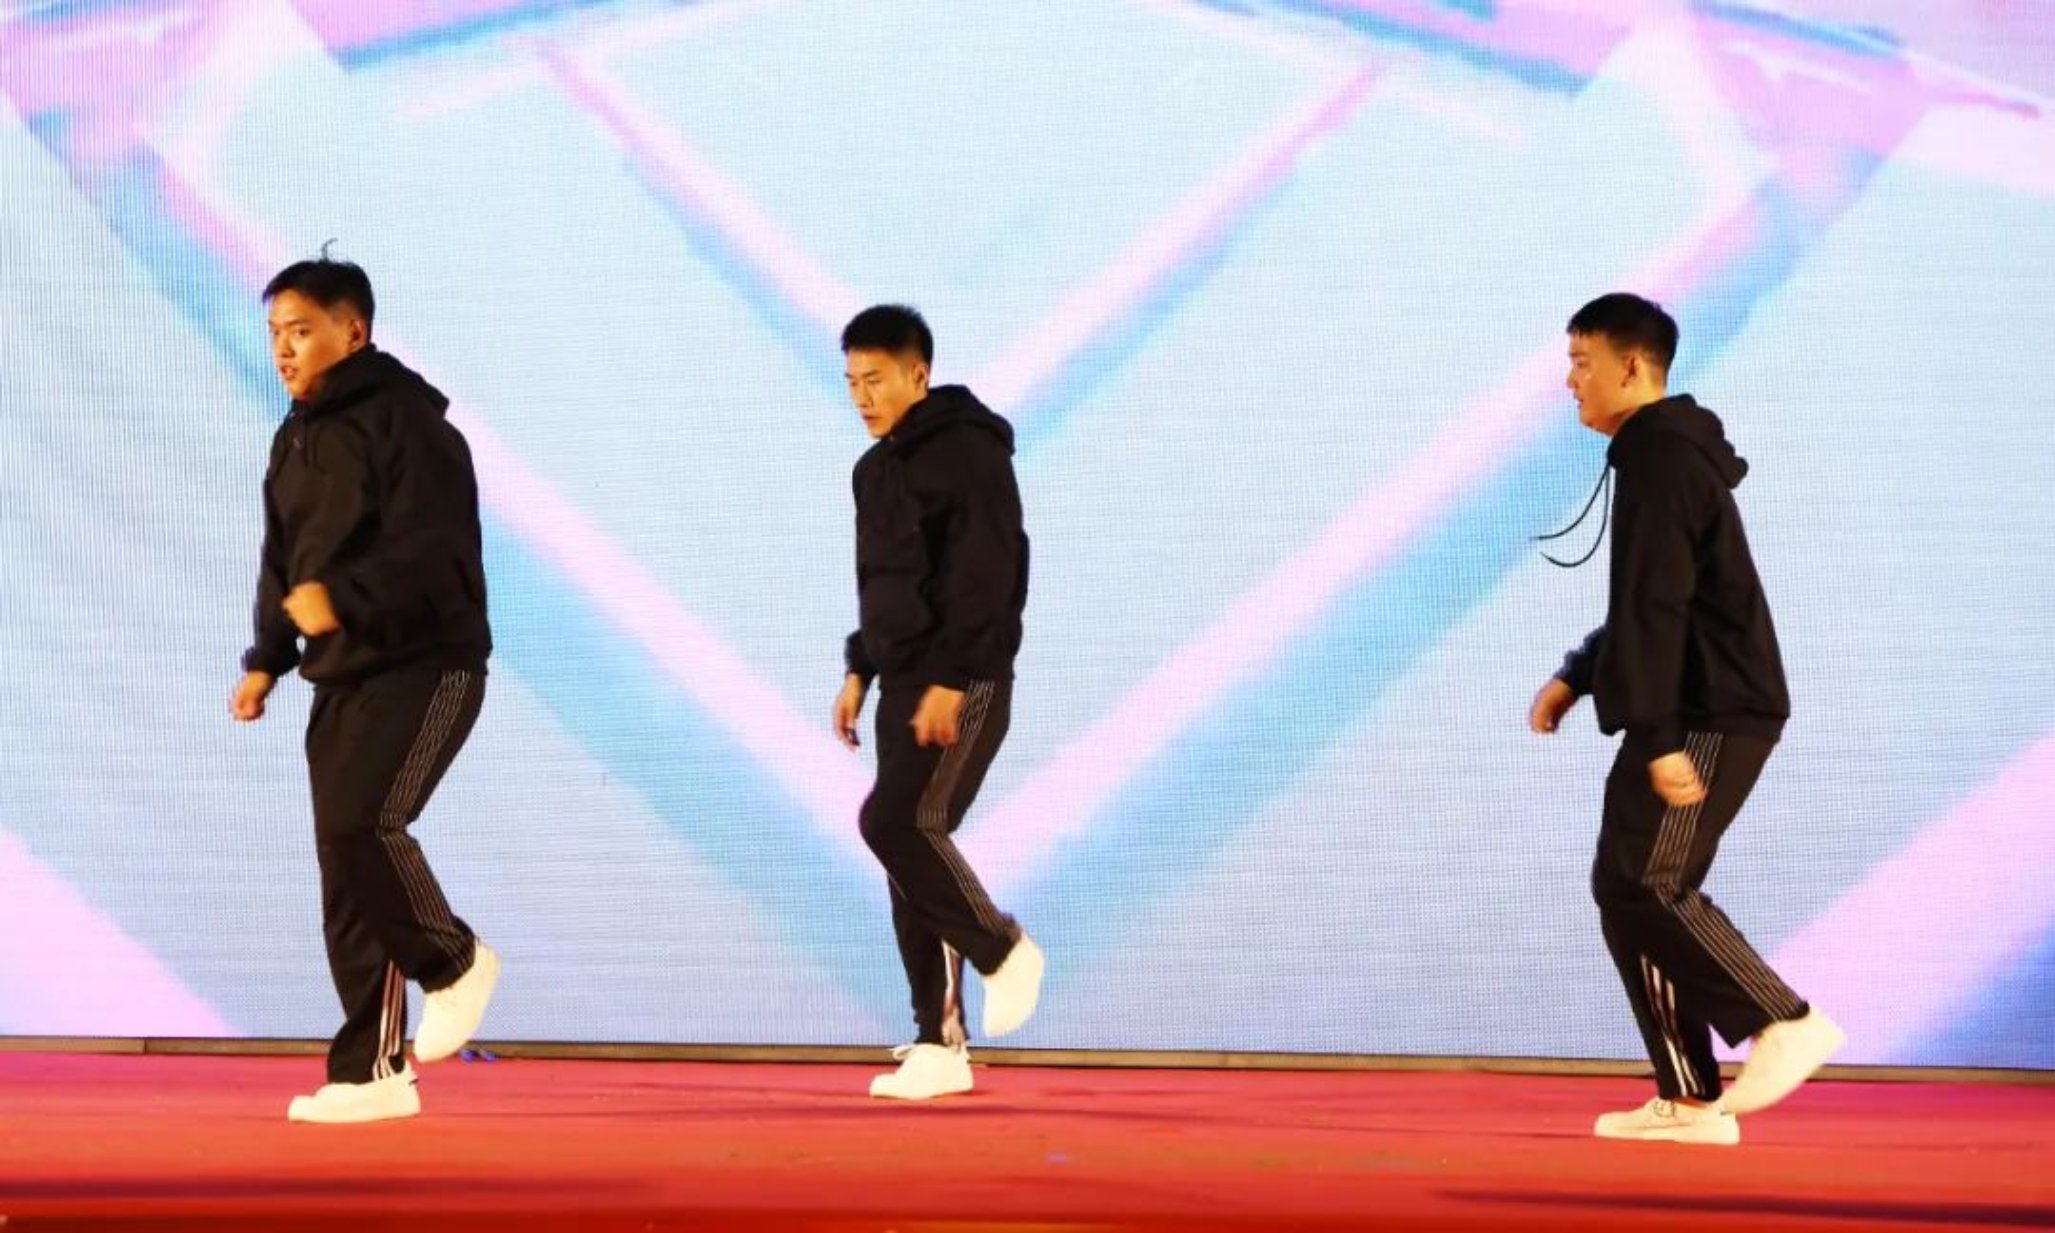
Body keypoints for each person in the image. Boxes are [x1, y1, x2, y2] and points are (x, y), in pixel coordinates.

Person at [1530, 292, 1843, 1145]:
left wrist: (1659, 737)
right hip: (1693, 701)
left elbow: (1659, 606)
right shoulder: (1654, 452)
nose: (1569, 380)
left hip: (1711, 707)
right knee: (1624, 887)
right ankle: (1689, 1098)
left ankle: (1781, 1019)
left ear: (1632, 366)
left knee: (1649, 883)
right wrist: (1577, 675)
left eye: (1581, 362)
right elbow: (1652, 596)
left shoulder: (1663, 456)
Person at [233, 250, 501, 1124]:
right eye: (275, 332)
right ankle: (371, 1070)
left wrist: (340, 599)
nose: (284, 348)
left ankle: (454, 961)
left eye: (301, 330)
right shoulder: (295, 435)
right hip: (340, 675)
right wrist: (266, 656)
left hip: (428, 663)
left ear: (353, 331)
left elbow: (433, 553)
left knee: (364, 825)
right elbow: (284, 559)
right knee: (346, 866)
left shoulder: (411, 425)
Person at [832, 304, 1045, 1101]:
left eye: (876, 379)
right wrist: (859, 669)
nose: (862, 396)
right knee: (908, 856)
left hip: (965, 678)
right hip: (901, 682)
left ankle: (1002, 949)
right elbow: (883, 583)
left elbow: (989, 571)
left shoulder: (969, 451)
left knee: (897, 825)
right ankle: (937, 1041)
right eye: (851, 381)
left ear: (918, 374)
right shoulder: (872, 471)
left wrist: (953, 678)